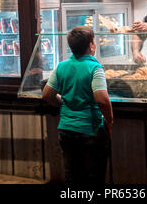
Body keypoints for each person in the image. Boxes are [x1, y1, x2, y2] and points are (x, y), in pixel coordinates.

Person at [42, 26, 113, 189]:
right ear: (91, 45)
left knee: (72, 176)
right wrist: (109, 120)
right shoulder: (95, 68)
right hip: (90, 130)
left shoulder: (62, 66)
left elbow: (47, 94)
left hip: (66, 129)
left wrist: (63, 103)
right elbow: (101, 99)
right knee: (94, 178)